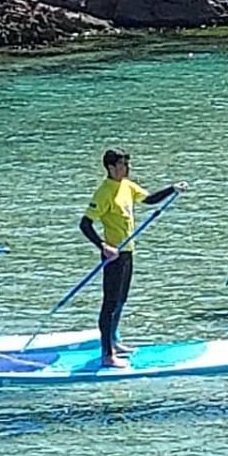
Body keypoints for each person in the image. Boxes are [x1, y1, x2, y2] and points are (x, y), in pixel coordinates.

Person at [80, 150, 184, 369]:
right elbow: (85, 224)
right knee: (109, 304)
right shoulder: (104, 192)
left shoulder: (127, 185)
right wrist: (103, 246)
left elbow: (148, 200)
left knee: (121, 300)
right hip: (113, 254)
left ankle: (115, 343)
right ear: (110, 167)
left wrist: (172, 189)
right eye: (122, 165)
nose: (127, 169)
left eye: (128, 164)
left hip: (128, 251)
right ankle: (107, 355)